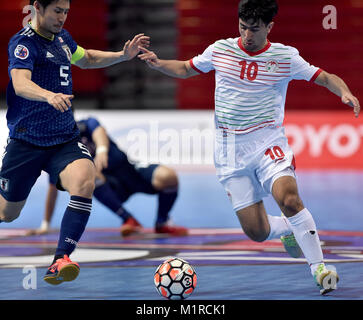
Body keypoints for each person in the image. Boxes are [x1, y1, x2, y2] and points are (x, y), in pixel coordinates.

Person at [138, 0, 360, 294]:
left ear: (269, 27)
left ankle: (319, 268)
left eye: (254, 29)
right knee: (256, 232)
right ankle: (289, 230)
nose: (247, 35)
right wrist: (158, 62)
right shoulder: (220, 50)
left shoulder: (285, 57)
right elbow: (186, 68)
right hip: (229, 150)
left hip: (268, 142)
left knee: (290, 199)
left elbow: (325, 77)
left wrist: (344, 92)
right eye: (242, 27)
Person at [0, 0, 149, 285]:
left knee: (85, 179)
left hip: (64, 139)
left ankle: (60, 259)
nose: (63, 17)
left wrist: (122, 55)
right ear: (37, 8)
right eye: (57, 10)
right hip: (26, 141)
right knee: (7, 213)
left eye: (66, 11)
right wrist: (48, 95)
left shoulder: (63, 39)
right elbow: (20, 83)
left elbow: (88, 59)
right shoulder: (23, 43)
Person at [27, 117, 188, 237]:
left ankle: (162, 222)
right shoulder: (59, 151)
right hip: (111, 187)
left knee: (169, 177)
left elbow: (99, 132)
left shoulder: (86, 125)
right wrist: (45, 224)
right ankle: (128, 219)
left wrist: (102, 150)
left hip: (130, 171)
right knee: (89, 177)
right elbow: (52, 188)